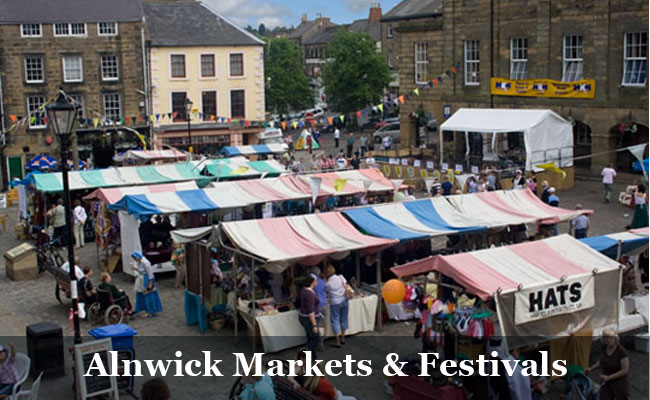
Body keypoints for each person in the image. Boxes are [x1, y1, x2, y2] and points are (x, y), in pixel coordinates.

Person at [586, 328, 629, 400]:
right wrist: (591, 369)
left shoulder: (621, 351)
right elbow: (601, 362)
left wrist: (610, 377)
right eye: (605, 338)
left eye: (610, 338)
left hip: (619, 382)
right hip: (606, 381)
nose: (608, 340)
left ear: (615, 338)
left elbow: (625, 370)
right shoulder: (604, 347)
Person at [131, 251, 162, 317]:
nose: (135, 260)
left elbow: (150, 273)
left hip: (146, 279)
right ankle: (142, 308)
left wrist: (150, 283)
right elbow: (141, 271)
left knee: (149, 295)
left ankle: (150, 310)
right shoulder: (139, 262)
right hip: (141, 279)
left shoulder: (146, 263)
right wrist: (135, 269)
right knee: (140, 294)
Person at [324, 265, 349, 348]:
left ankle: (337, 340)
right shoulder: (341, 277)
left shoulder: (328, 283)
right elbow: (346, 284)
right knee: (344, 318)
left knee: (335, 320)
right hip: (344, 299)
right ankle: (343, 337)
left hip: (335, 302)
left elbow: (326, 291)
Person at [298, 274, 321, 356]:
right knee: (316, 338)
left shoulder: (304, 290)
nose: (317, 282)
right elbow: (310, 311)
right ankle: (304, 354)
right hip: (309, 319)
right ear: (312, 282)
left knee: (310, 337)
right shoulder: (309, 293)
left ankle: (312, 357)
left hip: (304, 317)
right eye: (315, 280)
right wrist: (314, 325)